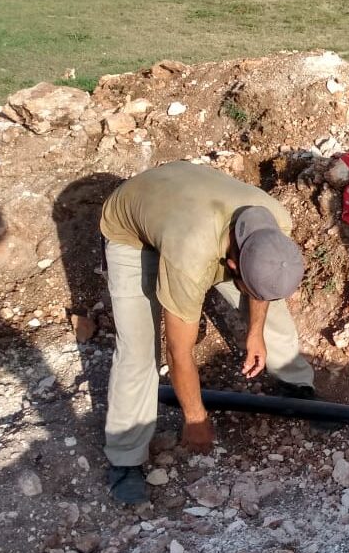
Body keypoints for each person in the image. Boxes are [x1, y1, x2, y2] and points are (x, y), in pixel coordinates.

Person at [99, 161, 316, 504]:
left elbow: (262, 286)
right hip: (134, 233)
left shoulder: (276, 222)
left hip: (189, 205)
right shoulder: (190, 256)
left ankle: (297, 386)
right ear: (232, 265)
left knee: (272, 310)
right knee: (138, 352)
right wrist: (195, 417)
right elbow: (178, 351)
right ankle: (126, 458)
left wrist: (255, 331)